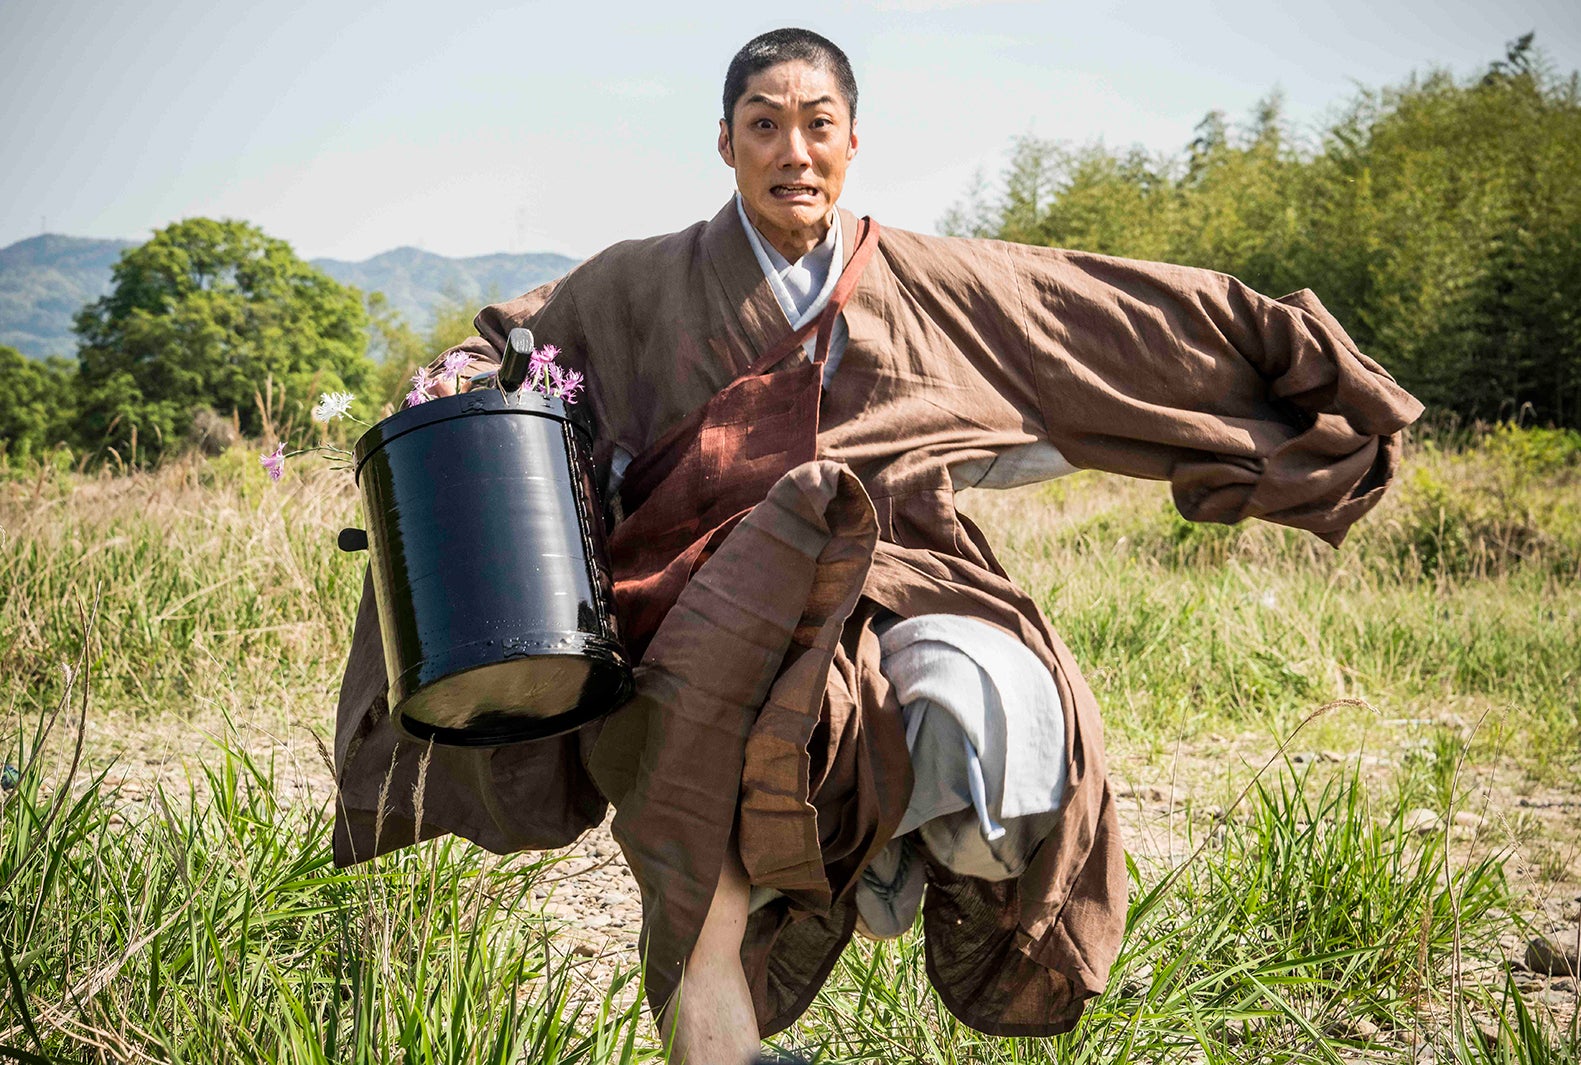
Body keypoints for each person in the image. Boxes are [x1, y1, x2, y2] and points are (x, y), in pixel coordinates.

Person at [332, 28, 1423, 1065]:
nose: (792, 151)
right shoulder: (635, 281)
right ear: (725, 143)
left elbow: (1102, 318)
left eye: (817, 123)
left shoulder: (929, 280)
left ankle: (885, 863)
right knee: (687, 751)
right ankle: (728, 1028)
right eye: (763, 124)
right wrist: (469, 387)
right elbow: (510, 350)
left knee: (988, 701)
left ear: (854, 140)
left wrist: (1296, 369)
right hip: (686, 604)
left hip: (885, 584)